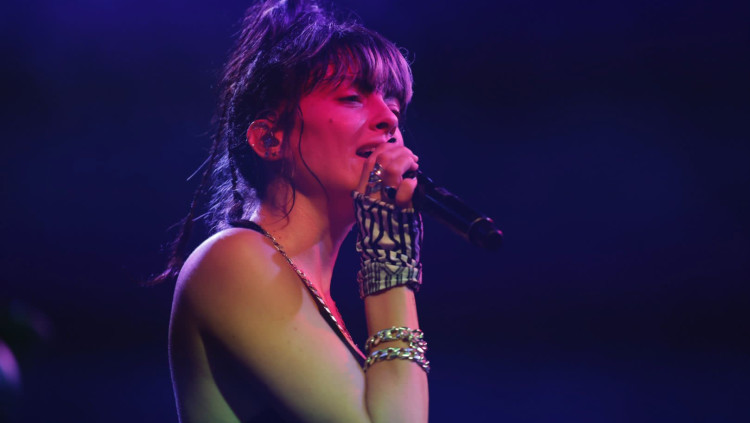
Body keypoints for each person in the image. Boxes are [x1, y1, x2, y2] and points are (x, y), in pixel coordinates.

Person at [155, 0, 429, 421]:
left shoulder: (309, 294)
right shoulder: (234, 260)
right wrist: (388, 251)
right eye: (352, 98)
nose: (388, 120)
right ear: (270, 140)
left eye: (394, 106)